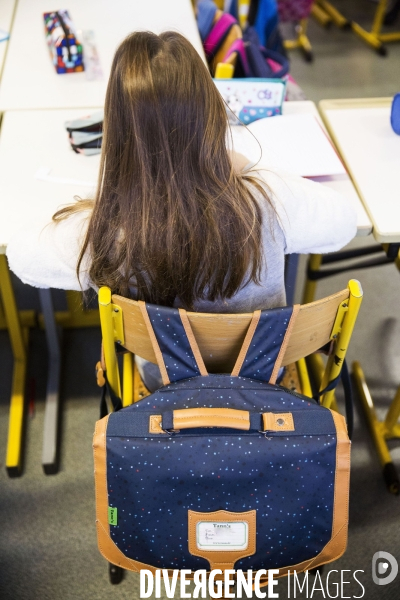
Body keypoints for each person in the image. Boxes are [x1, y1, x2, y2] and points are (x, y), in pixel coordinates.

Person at [7, 31, 357, 391]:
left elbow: (21, 256)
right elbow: (344, 222)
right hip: (265, 385)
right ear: (212, 117)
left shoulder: (106, 230)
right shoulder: (268, 199)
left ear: (117, 130)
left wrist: (113, 192)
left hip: (165, 392)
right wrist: (250, 169)